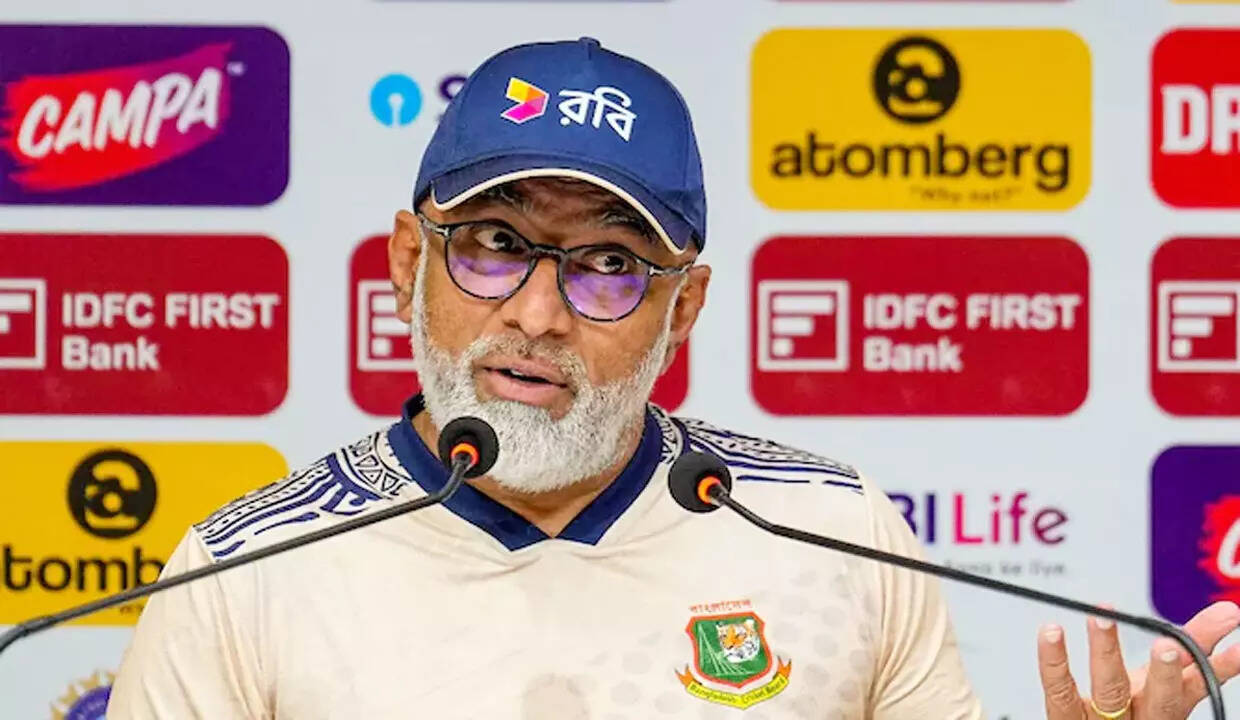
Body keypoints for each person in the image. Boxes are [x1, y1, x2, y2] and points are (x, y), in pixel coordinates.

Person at [107, 38, 1239, 719]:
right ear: (410, 261)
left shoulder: (830, 532)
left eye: (608, 265)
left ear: (682, 310)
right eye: (493, 244)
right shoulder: (245, 570)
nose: (537, 314)